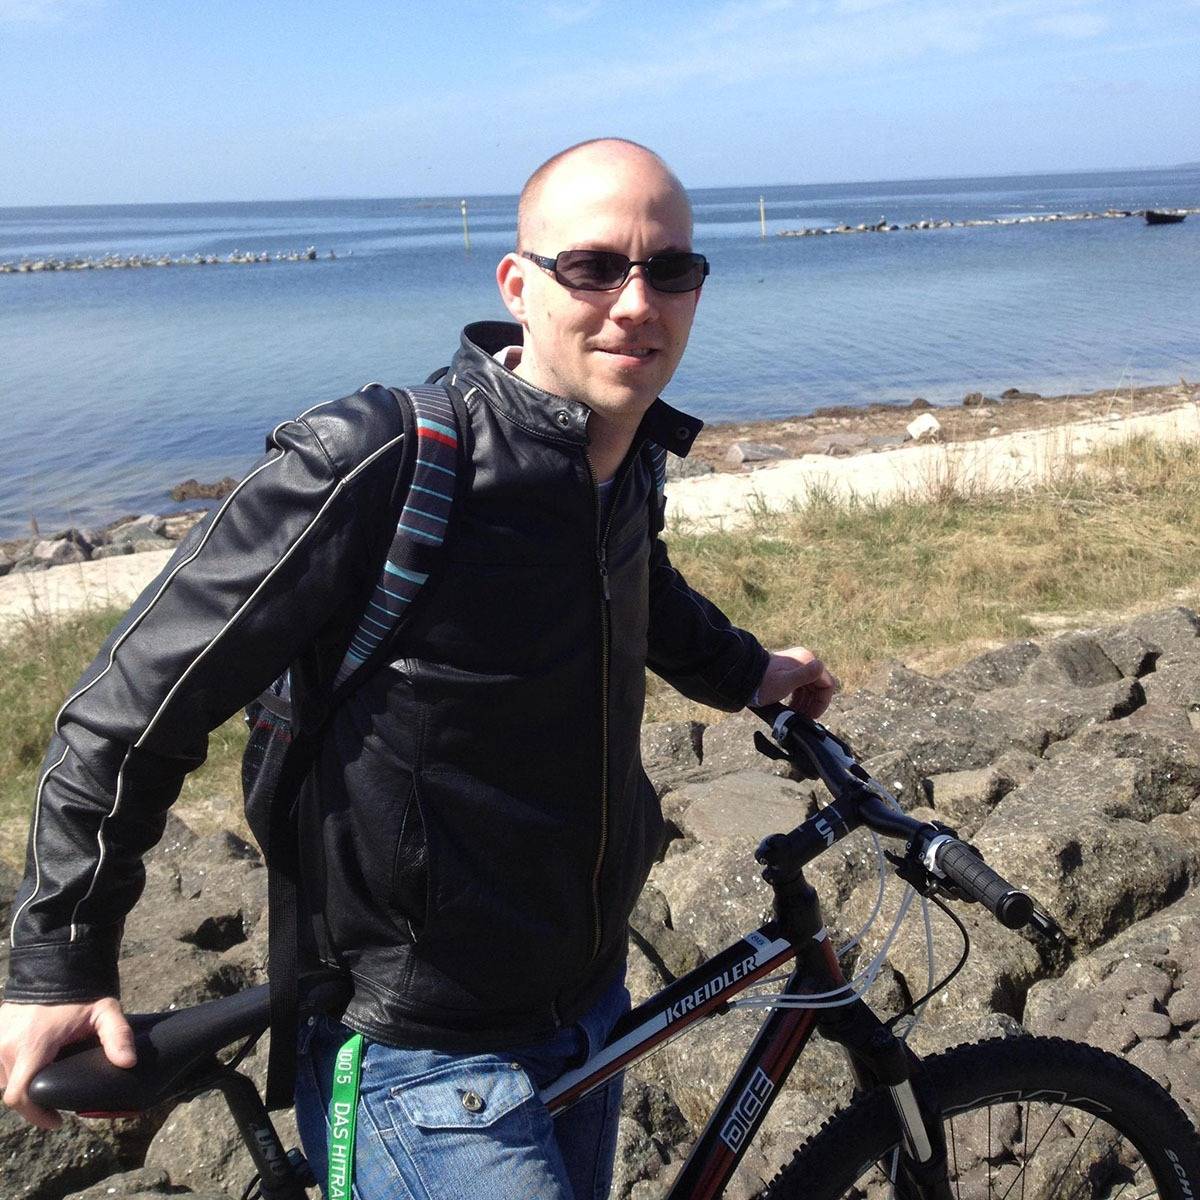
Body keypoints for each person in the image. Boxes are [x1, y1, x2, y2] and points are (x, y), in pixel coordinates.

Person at [0, 138, 837, 1199]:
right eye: (593, 267)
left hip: (588, 1002)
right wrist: (59, 963)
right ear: (518, 285)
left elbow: (637, 586)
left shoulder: (622, 459)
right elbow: (134, 704)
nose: (636, 303)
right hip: (418, 1056)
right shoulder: (382, 459)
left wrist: (748, 671)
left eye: (669, 269)